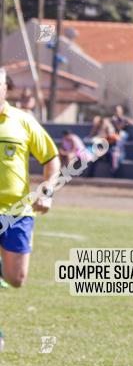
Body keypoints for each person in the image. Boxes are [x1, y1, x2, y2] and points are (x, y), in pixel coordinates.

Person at [0, 67, 60, 290]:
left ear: (5, 89)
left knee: (16, 279)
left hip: (18, 210)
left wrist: (47, 192)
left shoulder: (23, 121)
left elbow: (51, 158)